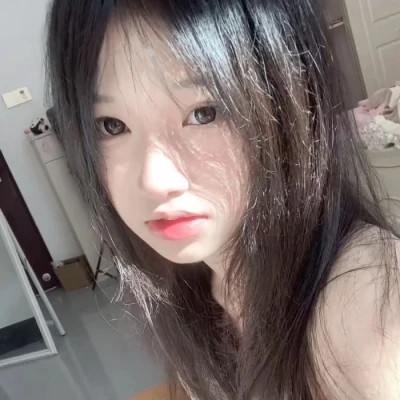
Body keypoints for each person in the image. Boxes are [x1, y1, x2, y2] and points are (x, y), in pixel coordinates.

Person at [45, 0, 400, 398]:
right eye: (111, 126)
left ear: (292, 99)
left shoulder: (364, 302)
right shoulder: (203, 280)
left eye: (205, 113)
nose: (155, 180)